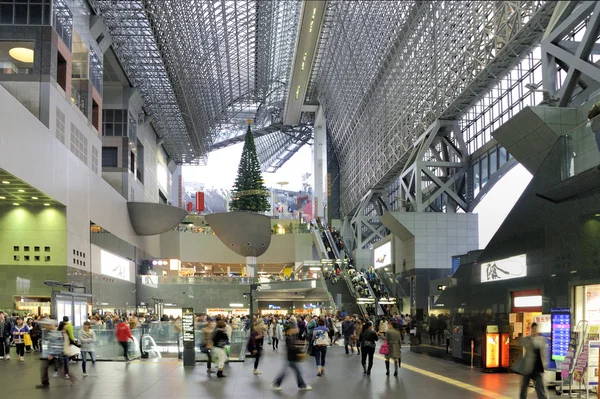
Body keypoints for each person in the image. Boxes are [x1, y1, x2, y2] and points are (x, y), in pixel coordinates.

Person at [271, 322, 312, 391]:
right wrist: (299, 349)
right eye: (295, 328)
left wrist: (298, 344)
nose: (297, 329)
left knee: (287, 372)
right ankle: (302, 385)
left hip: (291, 357)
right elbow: (291, 347)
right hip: (291, 358)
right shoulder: (289, 337)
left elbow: (293, 345)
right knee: (297, 372)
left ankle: (276, 383)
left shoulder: (292, 336)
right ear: (290, 330)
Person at [519, 323, 548, 399]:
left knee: (540, 388)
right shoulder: (527, 339)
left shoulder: (541, 340)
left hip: (538, 368)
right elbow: (521, 342)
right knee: (524, 388)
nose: (534, 330)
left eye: (535, 329)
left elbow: (544, 353)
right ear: (531, 329)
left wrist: (544, 365)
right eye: (533, 329)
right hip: (528, 367)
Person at [36, 320, 68, 389]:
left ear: (51, 325)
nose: (45, 326)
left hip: (51, 354)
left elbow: (58, 345)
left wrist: (52, 354)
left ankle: (45, 383)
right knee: (44, 368)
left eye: (47, 325)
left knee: (46, 368)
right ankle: (45, 383)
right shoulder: (50, 332)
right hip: (48, 354)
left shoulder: (56, 333)